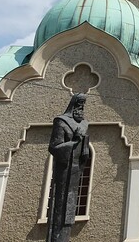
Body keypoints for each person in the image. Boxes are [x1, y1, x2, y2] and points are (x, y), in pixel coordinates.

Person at [47, 93, 90, 242]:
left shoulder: (84, 124)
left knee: (70, 204)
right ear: (73, 105)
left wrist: (84, 145)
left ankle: (64, 234)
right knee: (60, 203)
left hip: (76, 170)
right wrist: (75, 141)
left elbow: (85, 152)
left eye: (83, 105)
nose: (81, 108)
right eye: (79, 105)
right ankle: (56, 237)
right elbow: (54, 147)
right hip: (64, 169)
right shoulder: (61, 121)